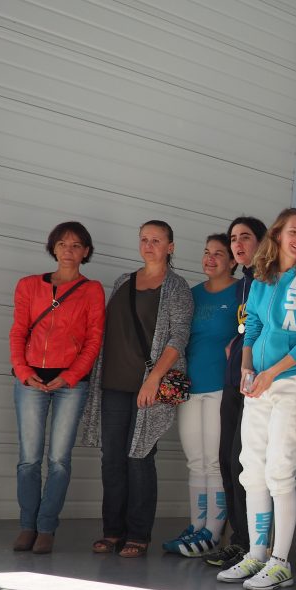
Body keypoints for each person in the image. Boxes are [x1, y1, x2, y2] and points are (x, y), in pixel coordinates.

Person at [215, 208, 296, 590]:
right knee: (251, 468)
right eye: (293, 232)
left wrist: (271, 372)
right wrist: (248, 369)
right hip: (259, 385)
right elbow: (253, 329)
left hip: (292, 383)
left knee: (281, 471)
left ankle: (281, 562)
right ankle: (256, 555)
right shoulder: (262, 280)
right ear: (278, 235)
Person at [82, 220, 193, 557]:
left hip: (148, 386)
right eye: (144, 239)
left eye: (157, 240)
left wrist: (154, 377)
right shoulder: (122, 282)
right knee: (111, 459)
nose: (149, 245)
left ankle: (138, 534)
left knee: (139, 458)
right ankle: (112, 531)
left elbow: (179, 337)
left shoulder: (177, 287)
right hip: (113, 383)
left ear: (170, 247)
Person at [9, 221, 106, 554]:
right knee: (29, 459)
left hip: (70, 382)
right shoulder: (28, 286)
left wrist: (72, 375)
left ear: (86, 252)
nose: (69, 250)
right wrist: (23, 372)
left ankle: (46, 527)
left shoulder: (92, 290)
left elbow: (94, 339)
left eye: (77, 245)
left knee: (59, 460)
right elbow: (18, 332)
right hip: (30, 380)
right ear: (53, 248)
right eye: (63, 244)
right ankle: (27, 525)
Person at [165, 233, 239, 556]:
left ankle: (213, 532)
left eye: (218, 254)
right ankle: (196, 528)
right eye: (206, 253)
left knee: (214, 461)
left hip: (221, 389)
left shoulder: (240, 292)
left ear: (233, 261)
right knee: (195, 461)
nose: (210, 259)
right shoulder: (193, 295)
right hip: (190, 388)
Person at [204, 215, 267, 569]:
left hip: (256, 386)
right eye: (233, 239)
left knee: (245, 464)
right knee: (227, 462)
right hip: (233, 382)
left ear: (262, 241)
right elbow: (246, 327)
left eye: (245, 237)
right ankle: (238, 540)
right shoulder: (244, 282)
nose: (237, 245)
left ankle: (252, 544)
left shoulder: (268, 279)